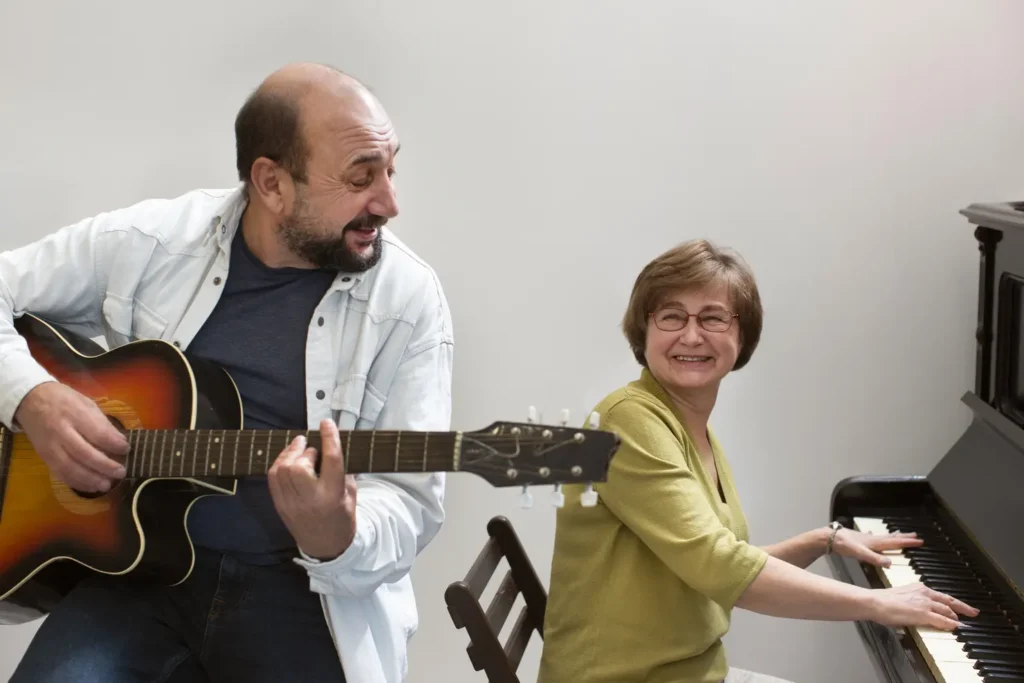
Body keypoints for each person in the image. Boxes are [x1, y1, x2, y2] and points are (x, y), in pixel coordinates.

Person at [0, 63, 453, 683]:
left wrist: (337, 534)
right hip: (134, 579)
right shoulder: (156, 241)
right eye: (360, 177)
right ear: (271, 183)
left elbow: (411, 502)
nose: (389, 202)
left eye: (390, 169)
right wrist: (34, 398)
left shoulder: (409, 300)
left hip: (302, 596)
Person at [537, 239, 976, 683]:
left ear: (740, 335)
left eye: (713, 317)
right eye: (671, 317)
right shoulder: (626, 422)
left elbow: (711, 564)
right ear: (643, 331)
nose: (692, 335)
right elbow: (722, 567)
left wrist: (823, 540)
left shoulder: (687, 424)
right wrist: (880, 605)